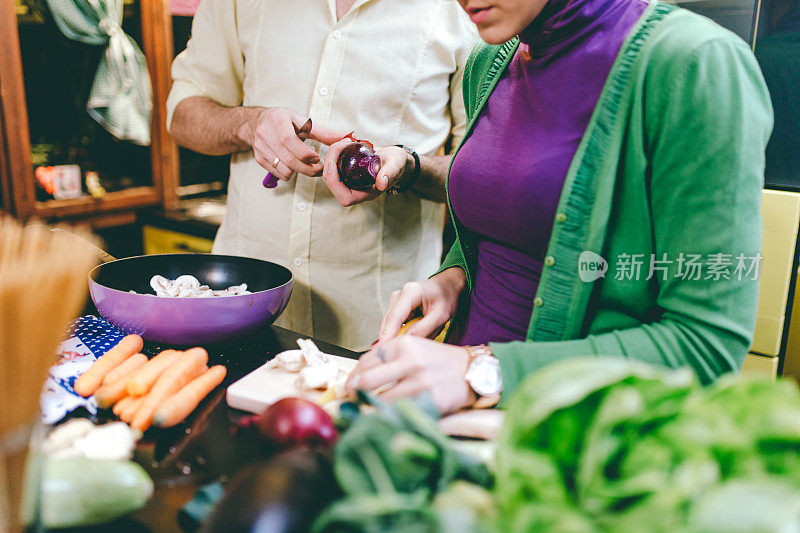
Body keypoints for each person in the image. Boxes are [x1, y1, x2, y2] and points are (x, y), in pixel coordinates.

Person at [345, 0, 774, 414]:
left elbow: (706, 345)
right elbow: (507, 222)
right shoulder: (491, 59)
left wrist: (483, 371)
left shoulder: (697, 65)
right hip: (461, 418)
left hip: (579, 443)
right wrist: (455, 277)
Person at [166, 0, 478, 351]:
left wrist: (408, 169)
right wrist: (249, 125)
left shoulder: (465, 9)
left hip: (382, 327)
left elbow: (485, 173)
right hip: (239, 304)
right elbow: (183, 115)